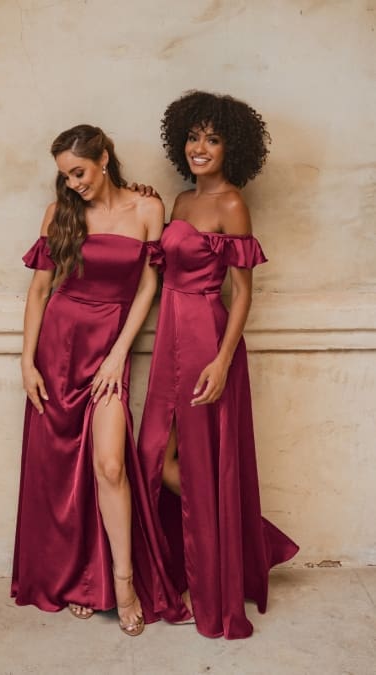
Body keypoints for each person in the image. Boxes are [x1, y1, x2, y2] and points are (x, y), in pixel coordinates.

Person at [11, 124, 184, 636]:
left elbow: (148, 285)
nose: (74, 183)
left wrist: (118, 355)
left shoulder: (148, 209)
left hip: (110, 347)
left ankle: (123, 581)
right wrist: (27, 362)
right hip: (58, 349)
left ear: (104, 158)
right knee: (62, 470)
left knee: (110, 466)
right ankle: (77, 579)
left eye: (79, 171)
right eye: (65, 175)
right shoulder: (61, 213)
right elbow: (41, 291)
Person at [137, 91, 299, 639]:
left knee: (202, 464)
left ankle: (224, 569)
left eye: (213, 138)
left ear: (233, 148)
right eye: (193, 136)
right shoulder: (179, 201)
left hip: (208, 336)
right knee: (151, 457)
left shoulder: (232, 204)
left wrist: (224, 360)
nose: (200, 147)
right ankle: (247, 537)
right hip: (169, 340)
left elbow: (242, 292)